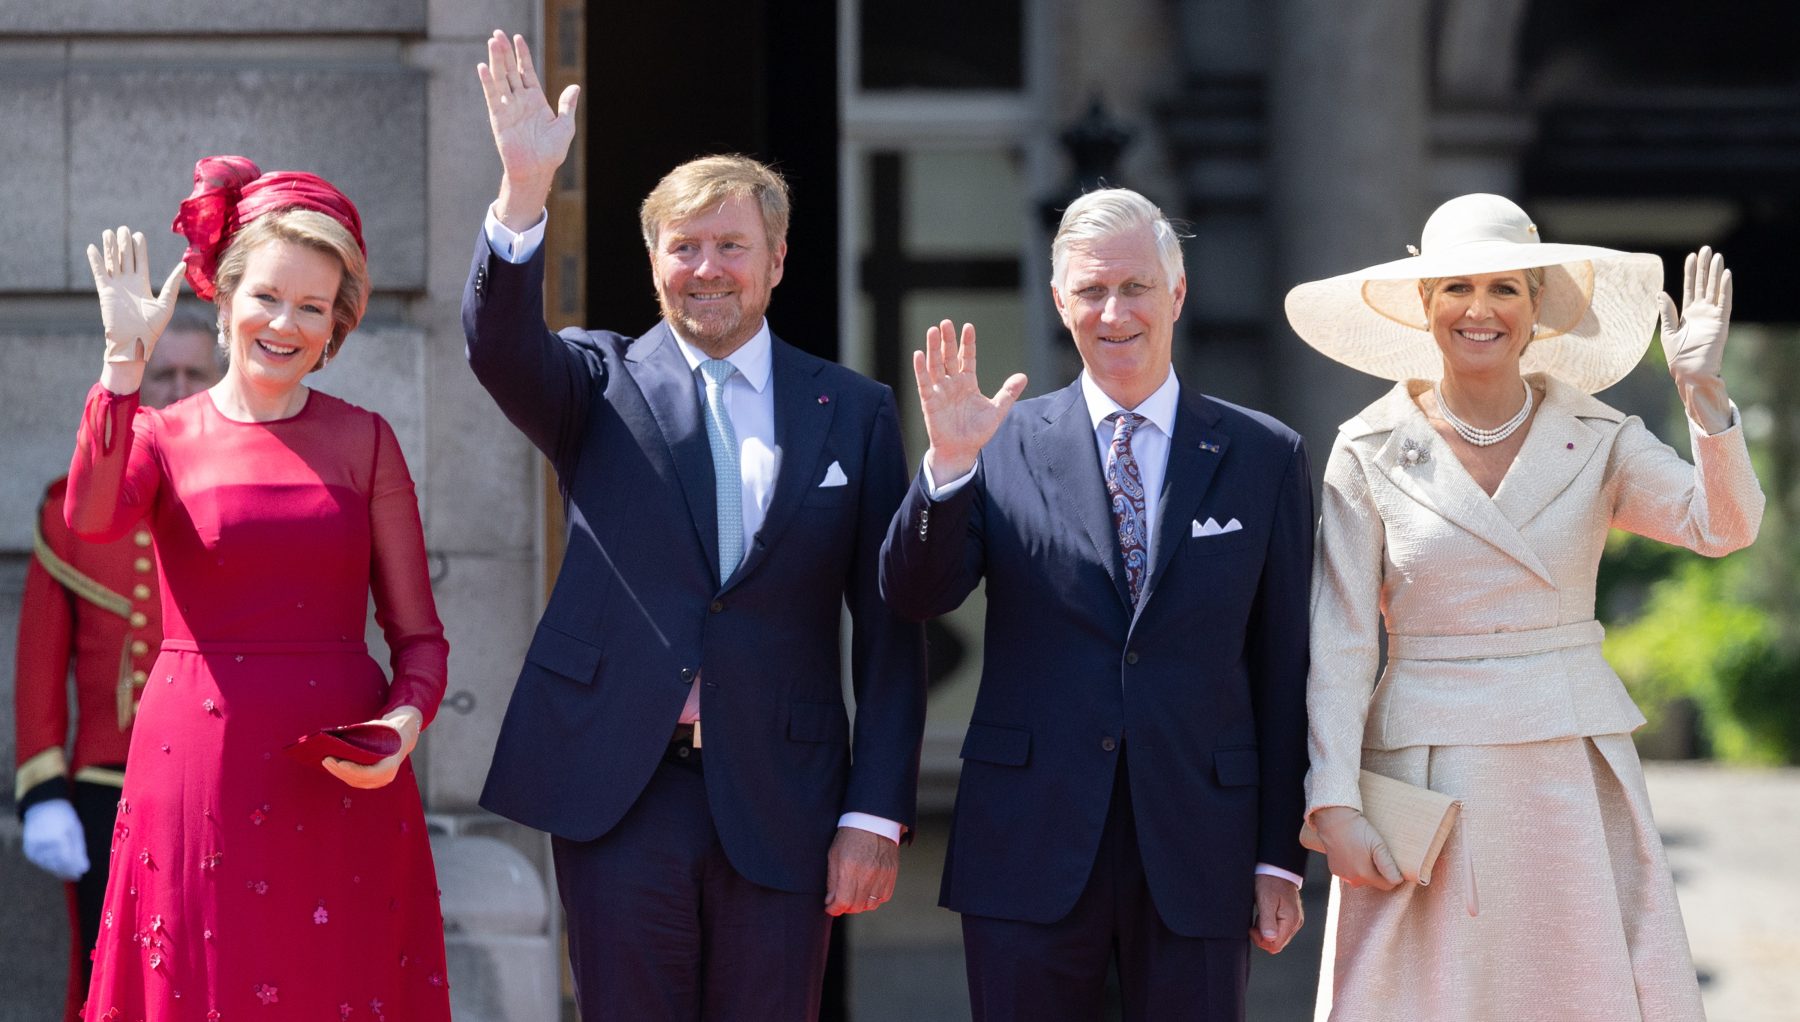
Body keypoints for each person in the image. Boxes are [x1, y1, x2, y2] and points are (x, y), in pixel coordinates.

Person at [466, 32, 926, 1021]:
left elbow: (893, 633)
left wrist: (875, 809)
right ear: (653, 261)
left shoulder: (852, 411)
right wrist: (524, 190)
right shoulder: (595, 382)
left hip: (786, 789)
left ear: (777, 260)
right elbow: (498, 347)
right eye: (684, 247)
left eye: (730, 245)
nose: (706, 268)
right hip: (622, 786)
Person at [1285, 192, 1763, 1020]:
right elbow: (1341, 640)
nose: (1481, 310)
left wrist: (1703, 396)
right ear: (1424, 303)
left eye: (1504, 288)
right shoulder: (1367, 447)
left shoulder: (1602, 435)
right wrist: (1334, 801)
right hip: (1428, 772)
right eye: (1457, 288)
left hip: (1565, 765)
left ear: (1538, 307)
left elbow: (1722, 526)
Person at [880, 187, 1313, 1021]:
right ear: (1058, 302)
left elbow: (1284, 662)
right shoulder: (997, 441)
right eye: (1091, 290)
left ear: (1176, 293)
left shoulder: (1263, 454)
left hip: (1200, 842)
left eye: (1136, 287)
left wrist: (1277, 856)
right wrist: (948, 466)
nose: (1114, 313)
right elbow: (915, 594)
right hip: (1027, 837)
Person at [65, 157, 452, 1020]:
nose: (284, 323)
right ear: (225, 296)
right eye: (267, 296)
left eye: (312, 307)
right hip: (196, 771)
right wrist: (122, 366)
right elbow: (89, 520)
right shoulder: (162, 435)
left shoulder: (365, 441)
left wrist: (403, 724)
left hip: (342, 778)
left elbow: (419, 639)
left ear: (335, 325)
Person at [13, 314, 221, 1022]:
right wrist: (43, 790)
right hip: (109, 782)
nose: (179, 388)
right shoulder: (69, 512)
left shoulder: (253, 494)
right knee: (107, 977)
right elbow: (39, 665)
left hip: (219, 782)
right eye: (164, 375)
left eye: (196, 374)